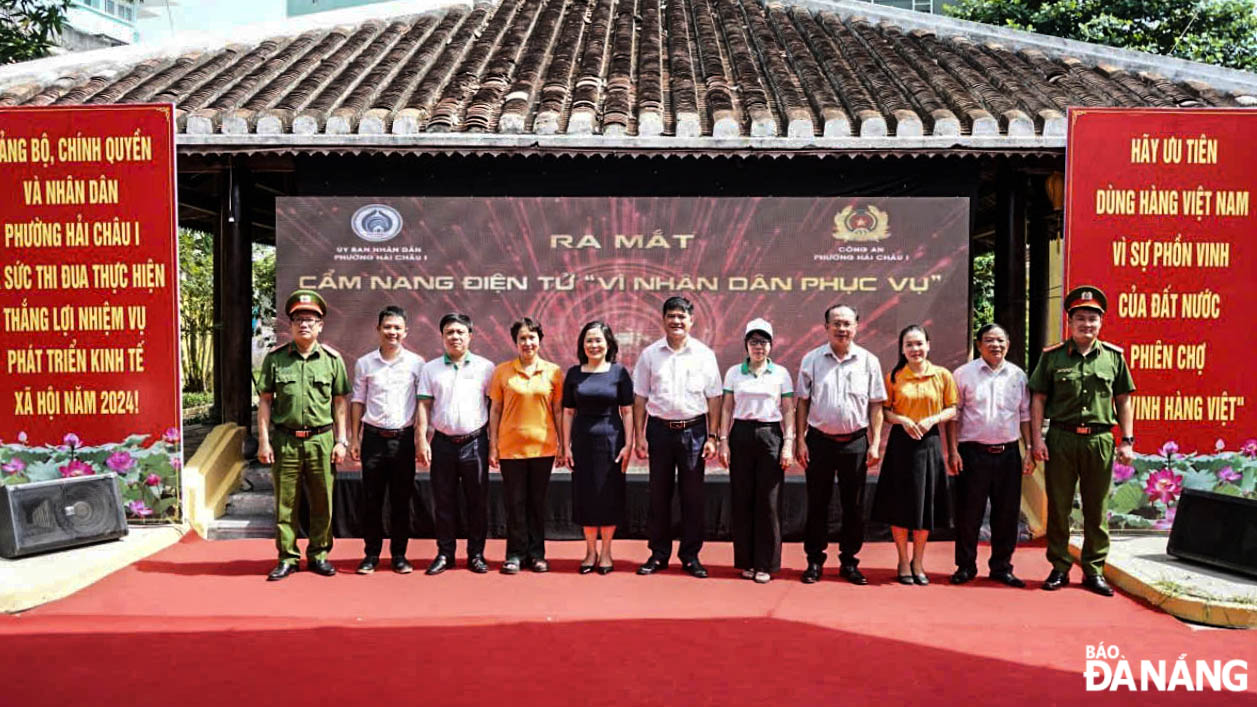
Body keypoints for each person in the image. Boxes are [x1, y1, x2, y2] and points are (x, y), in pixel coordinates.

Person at [1030, 285, 1136, 597]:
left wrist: (1127, 440)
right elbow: (1038, 399)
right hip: (1061, 438)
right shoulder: (1053, 357)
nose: (1086, 324)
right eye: (1080, 318)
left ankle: (1094, 569)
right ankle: (1060, 566)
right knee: (1059, 507)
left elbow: (1124, 400)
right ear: (1070, 323)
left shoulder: (1114, 358)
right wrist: (1037, 439)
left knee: (1096, 508)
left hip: (1100, 440)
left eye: (1092, 319)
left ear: (1100, 323)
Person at [257, 289, 350, 581]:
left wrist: (341, 440)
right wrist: (264, 440)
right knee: (286, 502)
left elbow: (340, 403)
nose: (304, 324)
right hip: (285, 440)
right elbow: (265, 402)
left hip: (321, 440)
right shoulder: (276, 360)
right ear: (290, 325)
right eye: (298, 319)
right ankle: (287, 557)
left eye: (311, 319)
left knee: (323, 501)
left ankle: (319, 554)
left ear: (321, 325)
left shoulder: (333, 360)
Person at [633, 296, 723, 578]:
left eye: (682, 317)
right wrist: (639, 435)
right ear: (663, 320)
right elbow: (640, 397)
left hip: (694, 431)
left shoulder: (704, 355)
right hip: (659, 430)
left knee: (692, 496)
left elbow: (715, 398)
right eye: (671, 316)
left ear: (691, 321)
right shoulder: (650, 355)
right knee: (659, 495)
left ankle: (690, 555)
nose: (676, 321)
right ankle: (658, 554)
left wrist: (713, 436)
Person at [796, 304, 886, 585]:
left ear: (857, 326)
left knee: (854, 505)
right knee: (817, 504)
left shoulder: (869, 361)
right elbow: (802, 403)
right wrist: (800, 439)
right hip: (819, 442)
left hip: (856, 443)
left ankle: (849, 561)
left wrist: (875, 443)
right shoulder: (811, 360)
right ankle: (814, 561)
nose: (842, 329)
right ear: (826, 327)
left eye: (847, 324)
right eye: (836, 323)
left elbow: (876, 406)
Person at [947, 323, 1035, 587]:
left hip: (1008, 454)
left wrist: (1029, 449)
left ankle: (1001, 567)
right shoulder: (963, 374)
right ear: (978, 345)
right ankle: (965, 566)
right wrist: (952, 451)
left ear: (1008, 344)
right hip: (972, 453)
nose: (995, 345)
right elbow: (954, 416)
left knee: (1007, 514)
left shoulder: (1018, 375)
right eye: (989, 340)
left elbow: (1025, 415)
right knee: (968, 513)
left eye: (1000, 340)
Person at [871, 325, 958, 586]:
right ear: (902, 349)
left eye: (919, 344)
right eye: (909, 345)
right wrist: (902, 420)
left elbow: (952, 409)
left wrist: (932, 419)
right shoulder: (895, 377)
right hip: (901, 445)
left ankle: (918, 561)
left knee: (924, 507)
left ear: (928, 345)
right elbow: (883, 412)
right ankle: (901, 560)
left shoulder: (942, 376)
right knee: (900, 505)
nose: (915, 349)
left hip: (929, 444)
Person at [415, 313, 496, 575]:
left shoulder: (486, 367)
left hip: (475, 442)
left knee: (477, 502)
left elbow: (494, 407)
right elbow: (424, 405)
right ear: (442, 337)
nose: (455, 337)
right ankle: (445, 553)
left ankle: (476, 555)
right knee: (444, 501)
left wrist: (494, 444)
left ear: (471, 336)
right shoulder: (431, 368)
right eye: (449, 332)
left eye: (460, 332)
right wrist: (421, 440)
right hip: (442, 443)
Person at [718, 318, 795, 584]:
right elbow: (727, 407)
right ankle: (746, 561)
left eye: (763, 342)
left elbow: (787, 410)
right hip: (740, 434)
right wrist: (724, 441)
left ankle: (766, 563)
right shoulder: (734, 373)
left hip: (770, 435)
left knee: (769, 502)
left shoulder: (781, 374)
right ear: (746, 345)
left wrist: (788, 443)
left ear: (771, 345)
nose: (758, 347)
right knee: (743, 500)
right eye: (753, 342)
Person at [349, 305, 424, 575]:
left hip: (402, 440)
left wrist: (420, 439)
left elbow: (422, 404)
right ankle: (370, 555)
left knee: (402, 500)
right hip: (372, 440)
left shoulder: (417, 363)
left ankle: (400, 556)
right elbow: (357, 401)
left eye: (397, 328)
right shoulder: (365, 363)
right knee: (372, 500)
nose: (392, 332)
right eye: (387, 327)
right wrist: (354, 438)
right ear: (378, 330)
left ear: (405, 332)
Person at [489, 317, 565, 574]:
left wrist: (564, 445)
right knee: (514, 503)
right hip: (510, 447)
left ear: (540, 340)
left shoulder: (553, 371)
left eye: (532, 337)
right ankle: (514, 554)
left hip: (543, 447)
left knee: (536, 503)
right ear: (515, 342)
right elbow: (496, 409)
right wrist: (493, 446)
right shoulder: (502, 371)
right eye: (522, 338)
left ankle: (537, 555)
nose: (527, 342)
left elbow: (557, 409)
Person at [561, 321, 634, 575]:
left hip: (611, 443)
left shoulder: (619, 373)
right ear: (582, 345)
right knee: (586, 496)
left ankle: (606, 553)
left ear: (609, 344)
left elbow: (627, 411)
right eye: (589, 340)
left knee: (608, 496)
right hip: (581, 443)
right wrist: (565, 446)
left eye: (598, 340)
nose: (594, 345)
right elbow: (568, 412)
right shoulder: (573, 373)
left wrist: (628, 444)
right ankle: (590, 552)